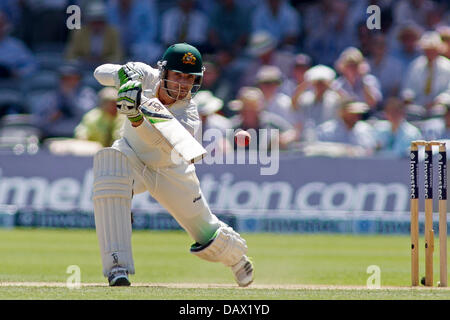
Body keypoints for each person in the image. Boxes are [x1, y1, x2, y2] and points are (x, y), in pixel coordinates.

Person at [92, 43, 254, 287]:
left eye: (190, 78)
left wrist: (137, 116)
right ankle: (117, 267)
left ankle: (236, 258)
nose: (183, 84)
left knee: (206, 232)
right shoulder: (146, 76)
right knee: (109, 168)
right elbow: (100, 72)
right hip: (131, 157)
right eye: (178, 75)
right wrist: (126, 76)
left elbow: (163, 144)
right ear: (163, 72)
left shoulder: (189, 115)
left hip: (172, 171)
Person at [291, 64, 341, 142]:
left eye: (322, 84)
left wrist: (333, 85)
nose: (320, 86)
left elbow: (347, 102)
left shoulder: (334, 98)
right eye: (317, 83)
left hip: (329, 139)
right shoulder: (306, 98)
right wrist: (306, 82)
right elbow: (294, 103)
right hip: (309, 138)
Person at [402, 31, 450, 111]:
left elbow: (448, 91)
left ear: (438, 50)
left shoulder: (447, 66)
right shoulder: (416, 65)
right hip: (417, 107)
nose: (430, 53)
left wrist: (438, 101)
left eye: (432, 50)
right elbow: (408, 88)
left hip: (439, 108)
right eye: (427, 50)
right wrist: (408, 98)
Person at [65, 1, 123, 67]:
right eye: (94, 21)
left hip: (105, 70)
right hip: (83, 69)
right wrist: (83, 60)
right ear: (88, 21)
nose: (97, 25)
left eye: (100, 21)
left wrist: (104, 61)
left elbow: (118, 55)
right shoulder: (79, 33)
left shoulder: (113, 32)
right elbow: (70, 55)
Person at [332, 47, 383, 111]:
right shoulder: (338, 85)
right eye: (349, 65)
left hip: (368, 116)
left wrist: (363, 80)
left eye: (355, 65)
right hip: (347, 117)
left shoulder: (370, 81)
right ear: (343, 67)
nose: (352, 69)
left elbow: (372, 103)